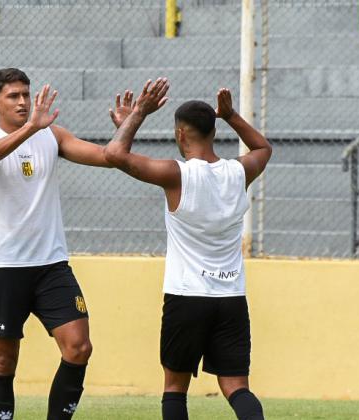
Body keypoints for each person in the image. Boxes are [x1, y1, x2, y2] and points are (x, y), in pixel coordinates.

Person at [0, 68, 130, 420]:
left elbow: (108, 157)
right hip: (2, 266)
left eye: (26, 94)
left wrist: (127, 126)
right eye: (14, 96)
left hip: (51, 266)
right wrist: (30, 129)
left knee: (78, 347)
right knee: (4, 360)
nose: (23, 101)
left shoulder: (52, 136)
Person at [104, 78, 272, 420]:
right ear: (214, 130)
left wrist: (137, 115)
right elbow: (263, 149)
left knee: (175, 388)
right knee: (237, 387)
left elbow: (114, 154)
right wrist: (232, 115)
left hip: (186, 297)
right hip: (230, 297)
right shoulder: (238, 172)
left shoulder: (175, 174)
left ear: (181, 134)